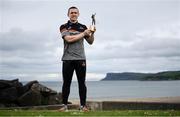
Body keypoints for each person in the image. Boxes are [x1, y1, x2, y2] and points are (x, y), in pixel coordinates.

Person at [58, 6, 96, 112]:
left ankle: (83, 106)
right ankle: (64, 106)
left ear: (78, 14)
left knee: (81, 83)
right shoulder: (64, 26)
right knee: (66, 83)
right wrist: (84, 33)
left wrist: (92, 33)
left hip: (80, 59)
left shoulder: (83, 27)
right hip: (67, 59)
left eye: (75, 12)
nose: (73, 14)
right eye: (71, 12)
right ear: (68, 14)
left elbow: (91, 42)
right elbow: (69, 39)